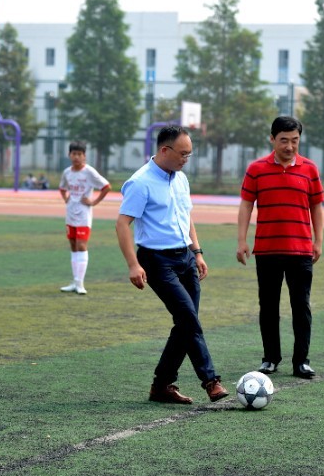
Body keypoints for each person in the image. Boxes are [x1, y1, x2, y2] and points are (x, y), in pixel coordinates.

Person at [116, 125, 228, 405]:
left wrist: (197, 252)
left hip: (185, 257)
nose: (186, 159)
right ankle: (211, 381)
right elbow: (122, 225)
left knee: (185, 322)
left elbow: (185, 215)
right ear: (164, 150)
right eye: (182, 154)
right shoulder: (140, 182)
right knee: (189, 319)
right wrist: (133, 265)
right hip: (156, 260)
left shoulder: (180, 179)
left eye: (189, 154)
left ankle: (162, 386)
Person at [237, 115, 324, 379]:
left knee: (301, 306)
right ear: (272, 139)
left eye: (294, 140)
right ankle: (270, 358)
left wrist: (318, 240)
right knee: (269, 307)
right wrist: (241, 240)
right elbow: (245, 205)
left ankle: (302, 361)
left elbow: (316, 206)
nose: (289, 146)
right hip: (266, 250)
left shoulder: (309, 169)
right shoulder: (256, 169)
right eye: (284, 140)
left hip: (300, 251)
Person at [58, 142, 111, 295]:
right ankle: (74, 281)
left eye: (79, 154)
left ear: (84, 156)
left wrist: (94, 202)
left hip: (83, 215)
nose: (76, 157)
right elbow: (62, 187)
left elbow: (106, 186)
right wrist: (66, 198)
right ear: (69, 155)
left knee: (82, 245)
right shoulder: (67, 172)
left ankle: (80, 284)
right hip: (70, 214)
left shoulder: (89, 172)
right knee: (73, 245)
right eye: (73, 154)